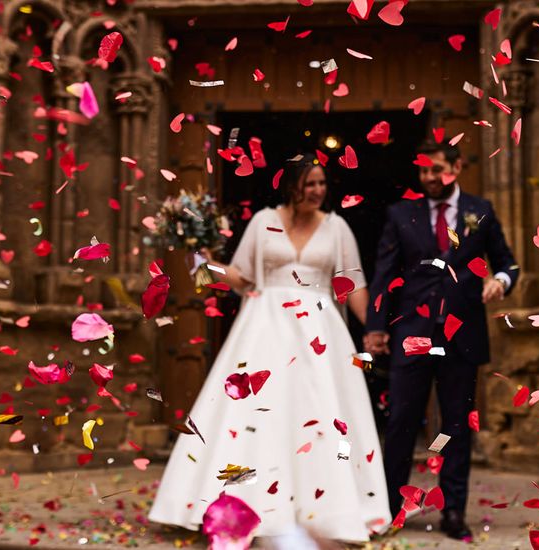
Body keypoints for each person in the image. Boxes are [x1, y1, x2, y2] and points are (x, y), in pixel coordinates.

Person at [149, 155, 391, 543]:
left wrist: (374, 327)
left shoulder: (338, 227)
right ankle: (236, 504)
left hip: (320, 330)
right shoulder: (263, 222)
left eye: (322, 184)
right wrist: (203, 260)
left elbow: (351, 285)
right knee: (258, 412)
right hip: (265, 326)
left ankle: (330, 507)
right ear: (291, 186)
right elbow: (242, 278)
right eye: (309, 184)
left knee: (321, 411)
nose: (317, 191)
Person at [363, 142, 519, 540]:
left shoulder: (479, 211)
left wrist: (500, 282)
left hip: (461, 337)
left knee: (455, 427)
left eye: (437, 170)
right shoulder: (401, 214)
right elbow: (384, 273)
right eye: (424, 172)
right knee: (400, 423)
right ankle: (390, 508)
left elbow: (508, 263)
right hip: (411, 334)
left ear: (457, 166)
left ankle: (453, 512)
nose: (430, 178)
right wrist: (376, 326)